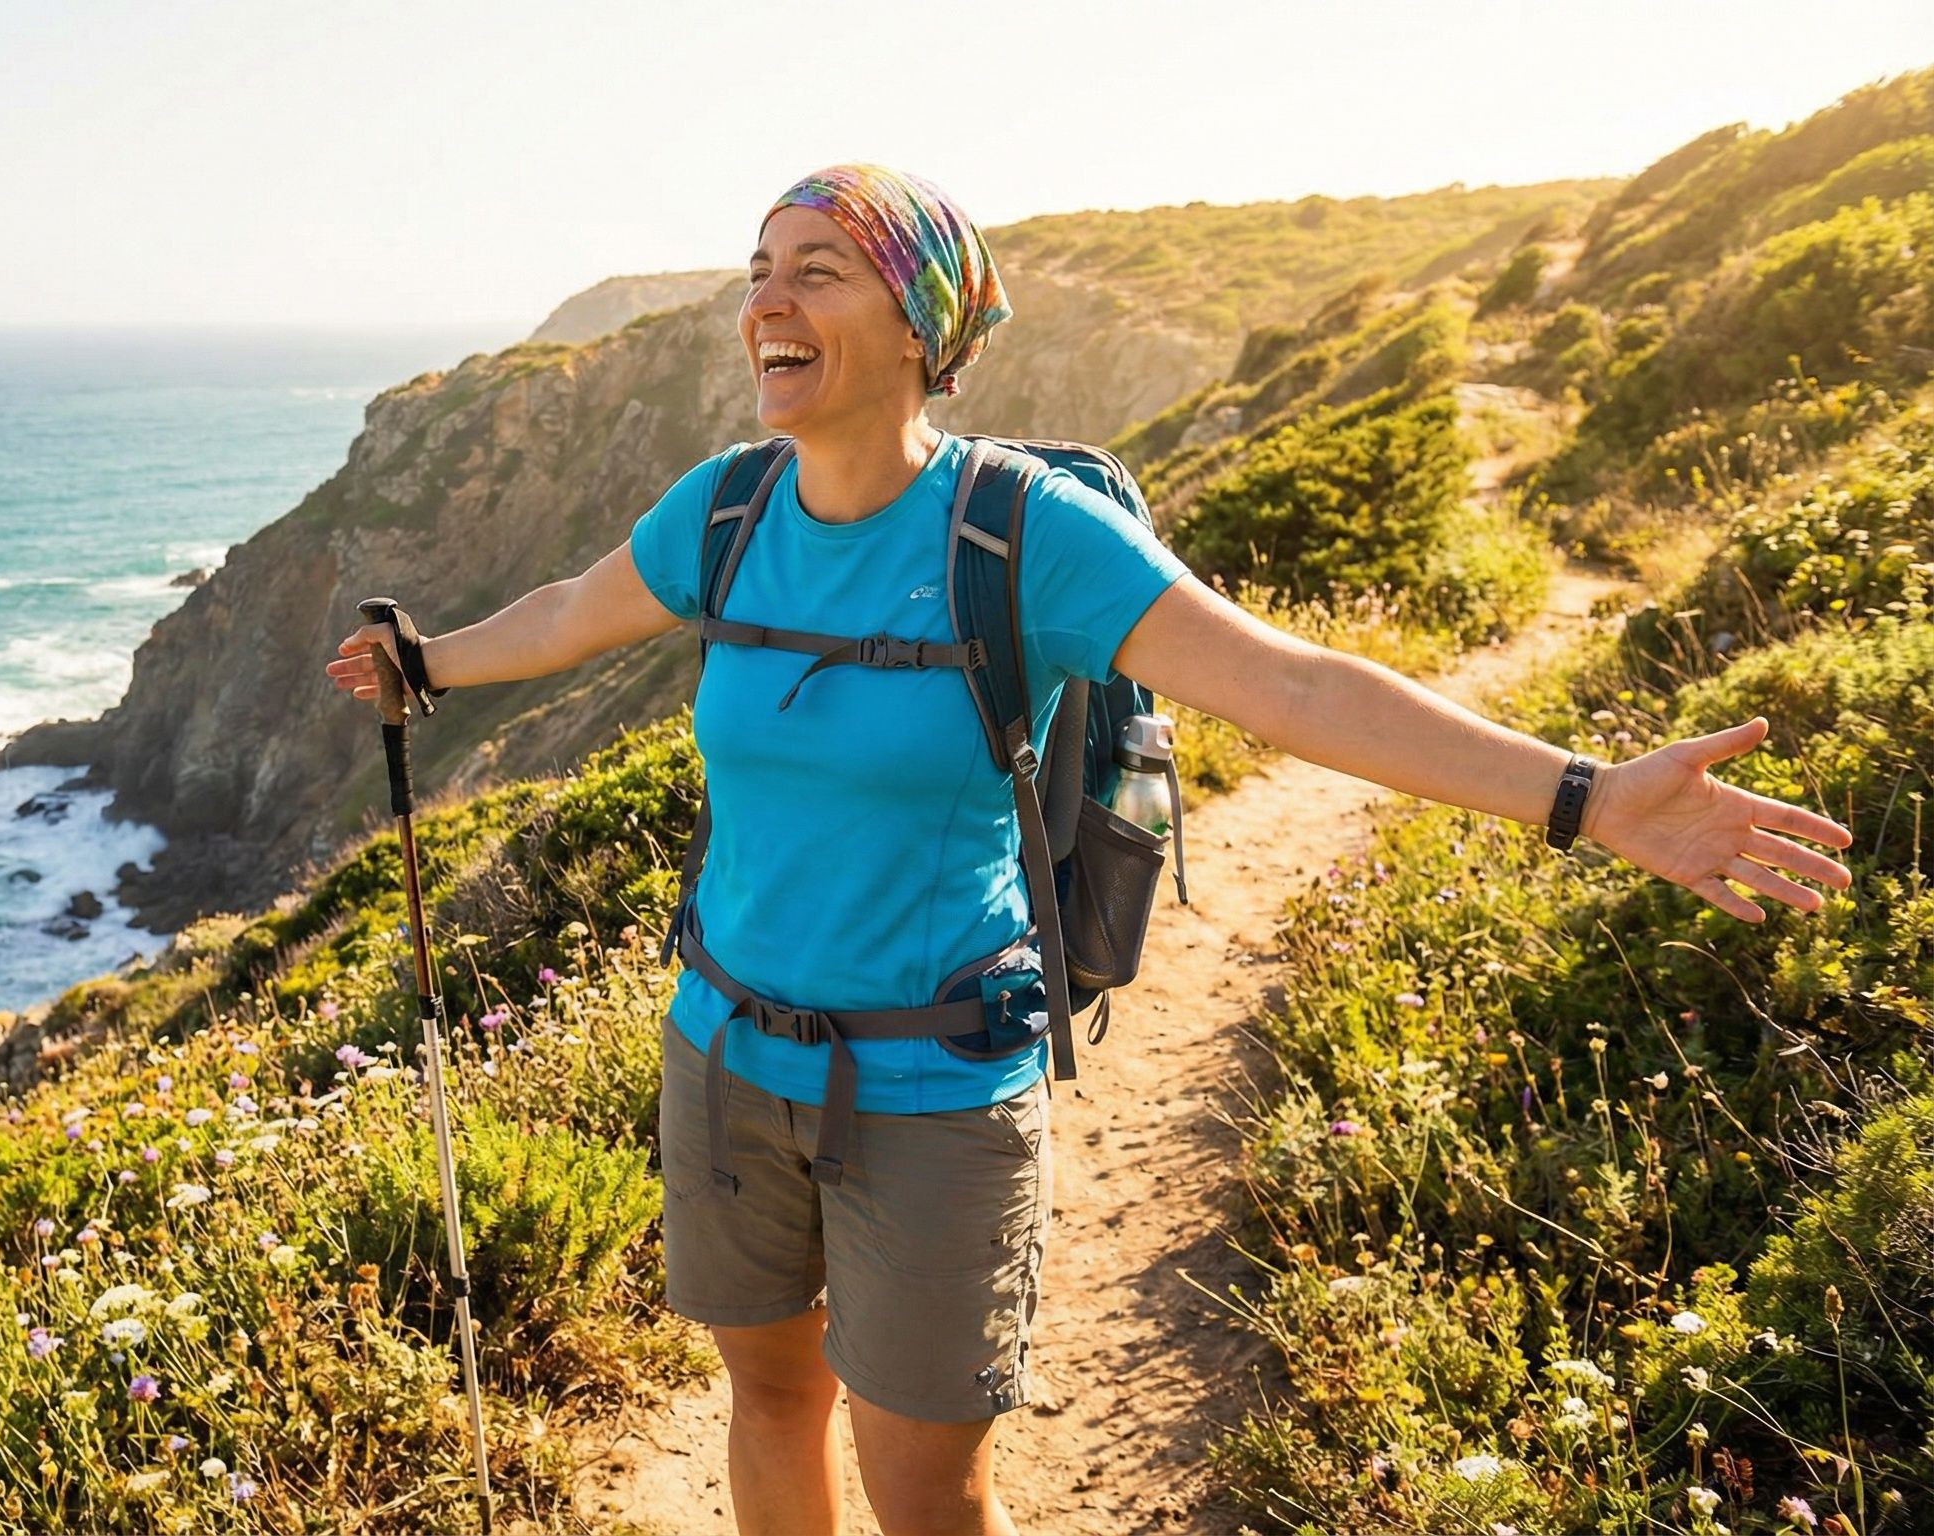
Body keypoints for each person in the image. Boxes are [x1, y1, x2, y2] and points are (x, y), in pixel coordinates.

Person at [322, 164, 1855, 1536]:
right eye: (758, 269)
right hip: (720, 1052)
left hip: (934, 1092)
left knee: (929, 1487)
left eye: (817, 270)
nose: (766, 303)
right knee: (768, 1398)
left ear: (921, 325)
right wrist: (433, 662)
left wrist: (1582, 797)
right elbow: (578, 611)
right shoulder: (723, 512)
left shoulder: (1024, 533)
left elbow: (1292, 682)